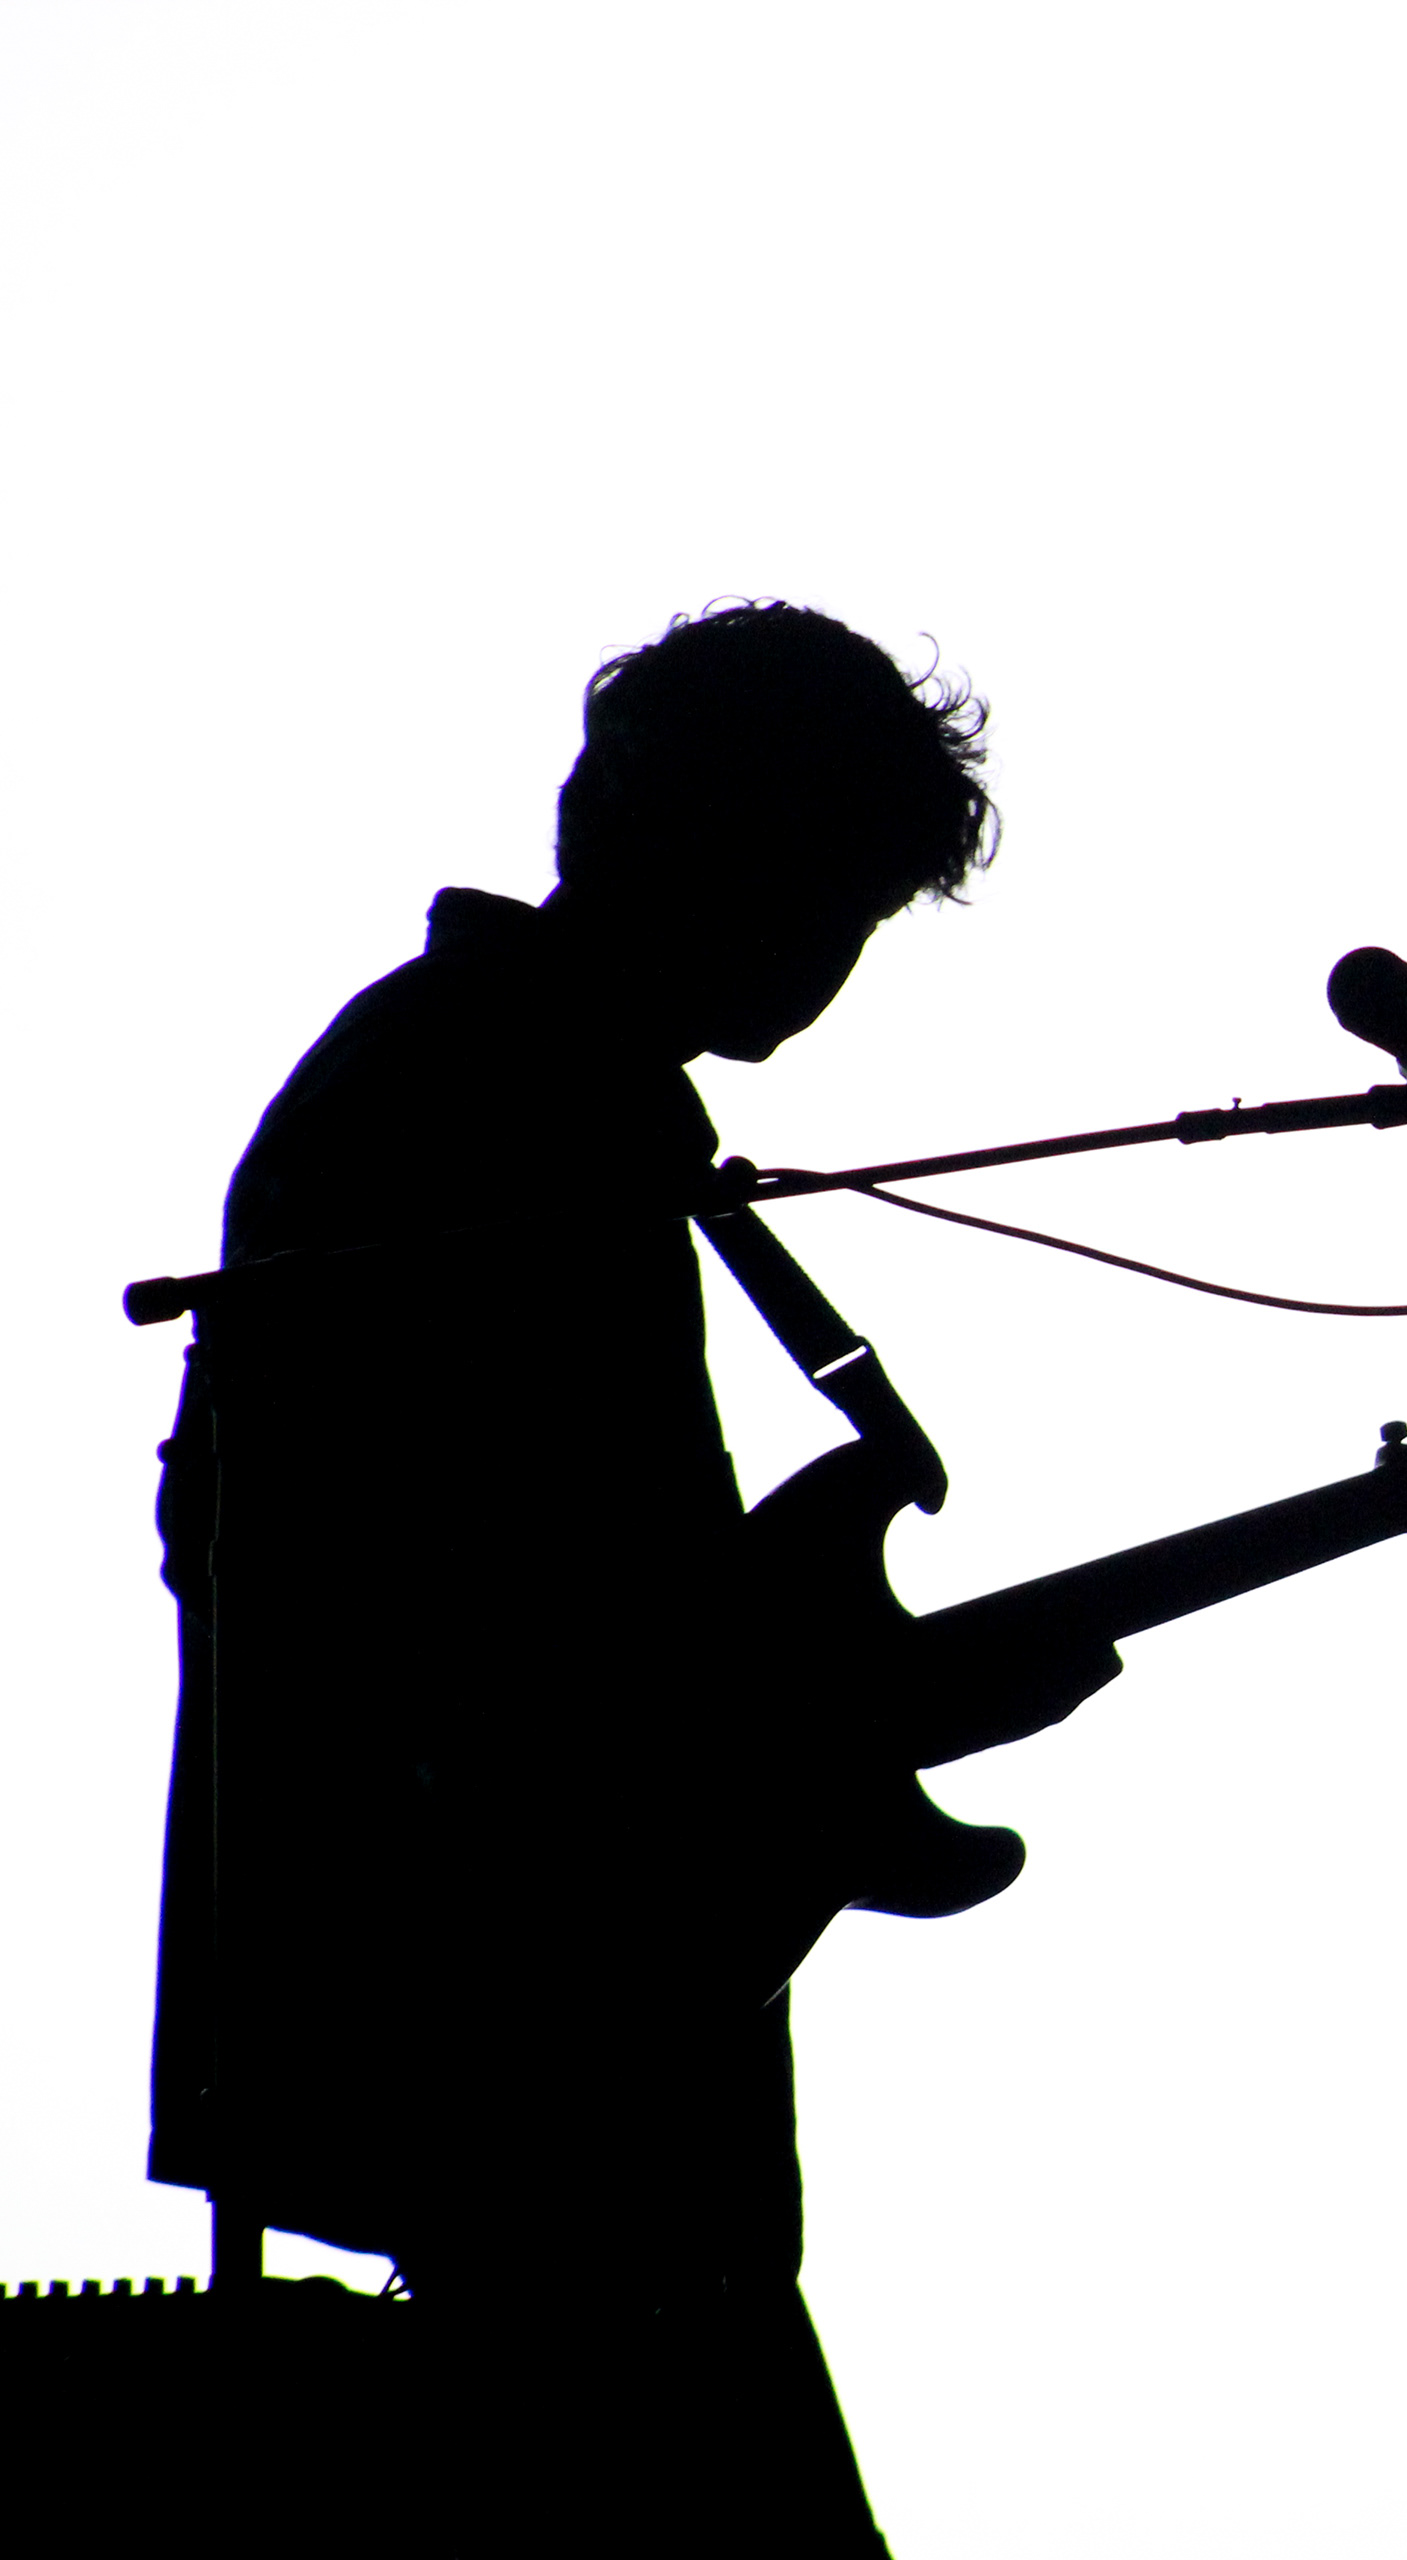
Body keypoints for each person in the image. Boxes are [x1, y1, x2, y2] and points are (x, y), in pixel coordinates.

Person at [148, 602, 1007, 2555]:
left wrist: (821, 1705)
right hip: (538, 2088)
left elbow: (610, 1624)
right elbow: (415, 1584)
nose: (826, 953)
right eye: (832, 891)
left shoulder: (550, 1093)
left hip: (570, 2093)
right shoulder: (487, 1087)